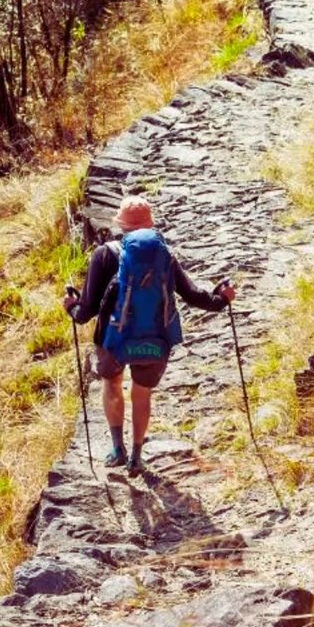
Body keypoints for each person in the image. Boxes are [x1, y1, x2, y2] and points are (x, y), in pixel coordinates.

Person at [64, 196, 236, 474]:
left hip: (113, 339)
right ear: (150, 223)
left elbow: (86, 311)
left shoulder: (104, 254)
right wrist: (222, 299)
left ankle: (116, 449)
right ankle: (136, 456)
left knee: (112, 385)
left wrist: (71, 307)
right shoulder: (163, 255)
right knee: (141, 394)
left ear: (120, 224)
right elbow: (193, 295)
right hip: (154, 338)